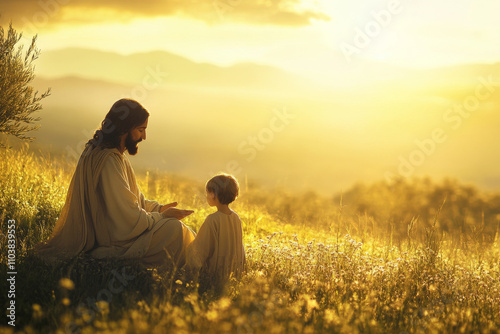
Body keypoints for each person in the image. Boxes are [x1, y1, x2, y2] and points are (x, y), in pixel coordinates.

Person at [36, 98, 195, 269]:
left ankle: (200, 264)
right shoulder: (109, 160)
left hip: (115, 232)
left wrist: (159, 209)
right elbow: (128, 219)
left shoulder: (106, 153)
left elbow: (134, 200)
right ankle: (199, 269)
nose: (144, 137)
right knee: (174, 230)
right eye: (141, 130)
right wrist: (163, 217)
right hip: (113, 241)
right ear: (125, 128)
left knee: (174, 227)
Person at [185, 173, 245, 291]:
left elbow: (200, 249)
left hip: (214, 276)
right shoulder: (236, 218)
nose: (206, 196)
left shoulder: (213, 219)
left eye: (208, 192)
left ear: (214, 195)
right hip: (233, 275)